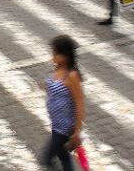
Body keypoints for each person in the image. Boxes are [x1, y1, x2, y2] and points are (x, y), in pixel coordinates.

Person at [40, 35, 84, 171]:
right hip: (56, 124)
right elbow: (57, 89)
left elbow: (79, 104)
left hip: (64, 128)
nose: (52, 56)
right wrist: (46, 87)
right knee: (61, 157)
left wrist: (77, 131)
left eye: (55, 53)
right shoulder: (58, 69)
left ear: (64, 55)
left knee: (47, 159)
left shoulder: (71, 76)